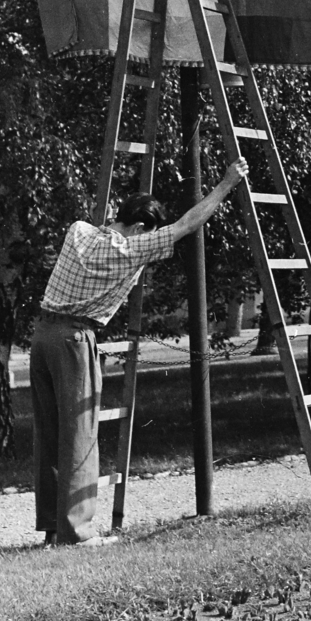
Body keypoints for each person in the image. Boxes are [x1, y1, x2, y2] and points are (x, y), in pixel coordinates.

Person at [30, 157, 248, 546]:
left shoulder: (77, 230)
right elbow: (187, 224)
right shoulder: (129, 248)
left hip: (42, 335)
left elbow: (103, 231)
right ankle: (77, 535)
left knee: (49, 435)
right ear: (137, 228)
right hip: (75, 340)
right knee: (80, 436)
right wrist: (227, 184)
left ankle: (52, 529)